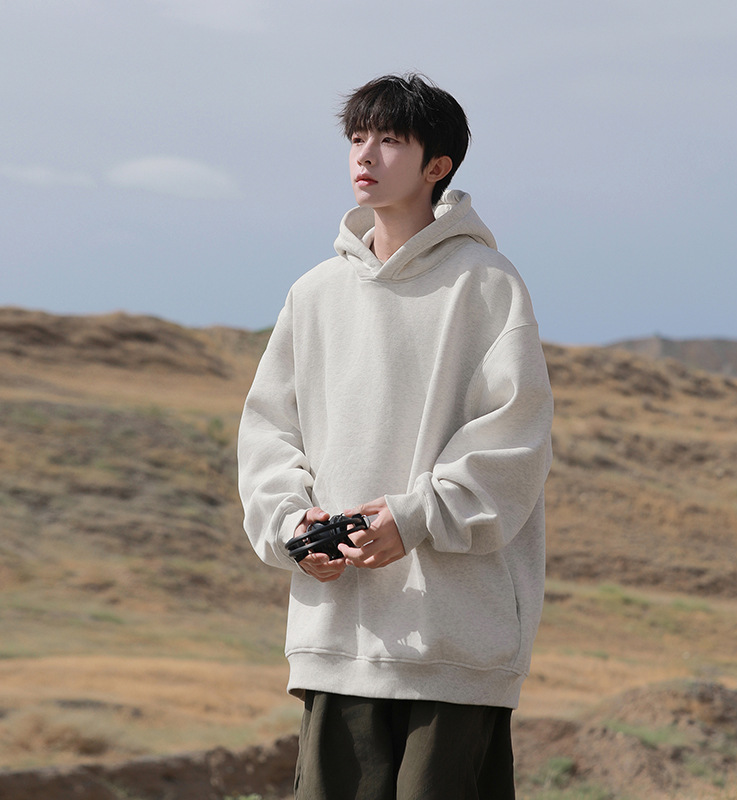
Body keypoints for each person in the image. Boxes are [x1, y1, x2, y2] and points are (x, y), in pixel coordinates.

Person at [238, 73, 553, 800]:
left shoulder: (487, 284)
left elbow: (514, 439)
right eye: (357, 138)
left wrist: (414, 518)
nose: (365, 155)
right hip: (337, 634)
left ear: (437, 164)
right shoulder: (314, 293)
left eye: (390, 140)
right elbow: (268, 433)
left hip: (452, 637)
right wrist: (293, 526)